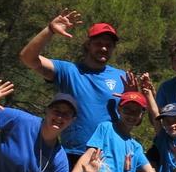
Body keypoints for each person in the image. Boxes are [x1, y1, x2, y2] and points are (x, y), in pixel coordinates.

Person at [18, 9, 127, 160]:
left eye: (109, 45)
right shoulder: (68, 71)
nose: (104, 48)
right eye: (99, 43)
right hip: (72, 154)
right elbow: (27, 58)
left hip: (110, 155)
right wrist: (49, 30)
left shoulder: (122, 77)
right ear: (88, 44)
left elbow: (134, 118)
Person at [68, 89, 158, 172]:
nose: (131, 115)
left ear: (141, 115)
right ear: (119, 109)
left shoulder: (136, 147)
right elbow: (88, 155)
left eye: (136, 111)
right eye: (127, 110)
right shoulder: (106, 128)